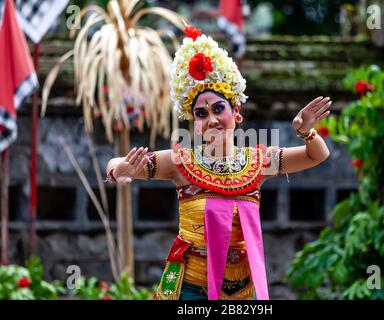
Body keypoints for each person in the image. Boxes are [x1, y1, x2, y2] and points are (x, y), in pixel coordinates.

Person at [105, 25, 331, 300]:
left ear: (236, 113)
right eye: (201, 113)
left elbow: (316, 155)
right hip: (191, 287)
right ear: (195, 125)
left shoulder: (258, 163)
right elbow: (117, 163)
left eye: (218, 109)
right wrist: (121, 169)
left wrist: (306, 132)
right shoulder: (180, 162)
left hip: (242, 289)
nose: (211, 119)